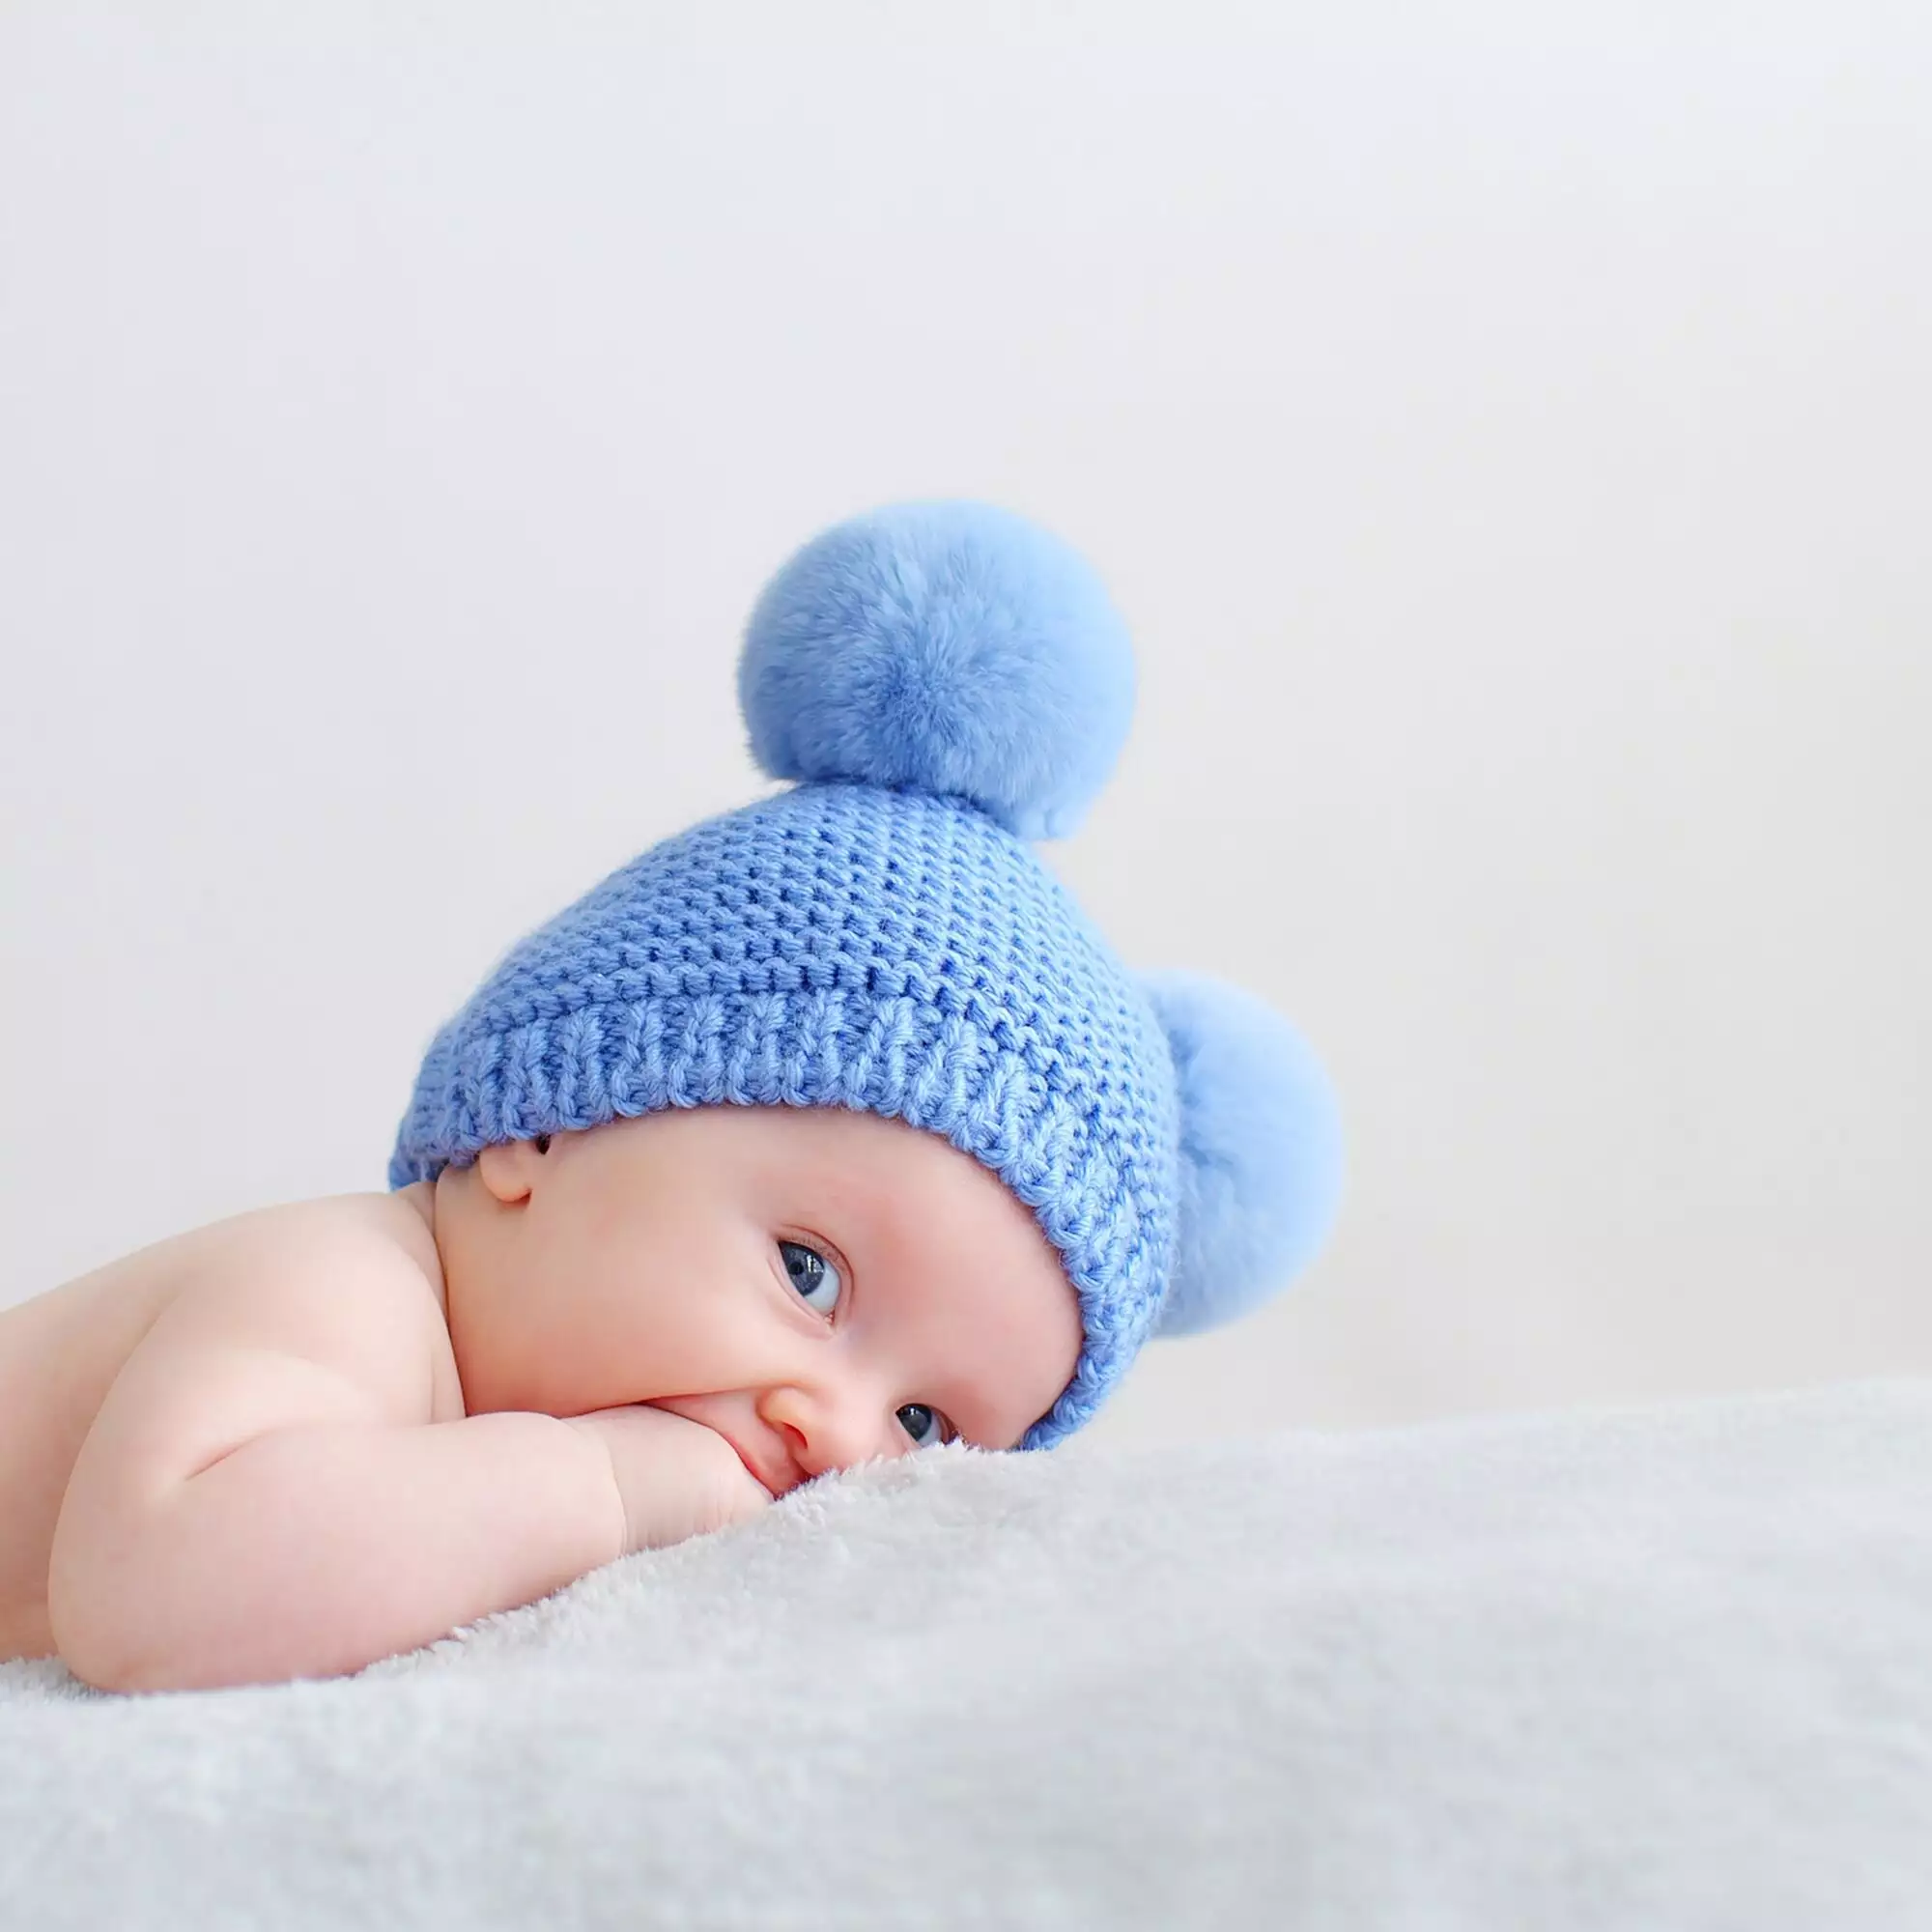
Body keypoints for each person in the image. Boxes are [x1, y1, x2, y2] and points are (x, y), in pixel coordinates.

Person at [0, 501, 1345, 1694]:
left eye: (925, 1426)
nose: (839, 1438)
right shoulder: (338, 1289)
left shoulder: (464, 1459)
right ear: (540, 1131)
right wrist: (600, 1487)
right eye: (809, 1276)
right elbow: (149, 1595)